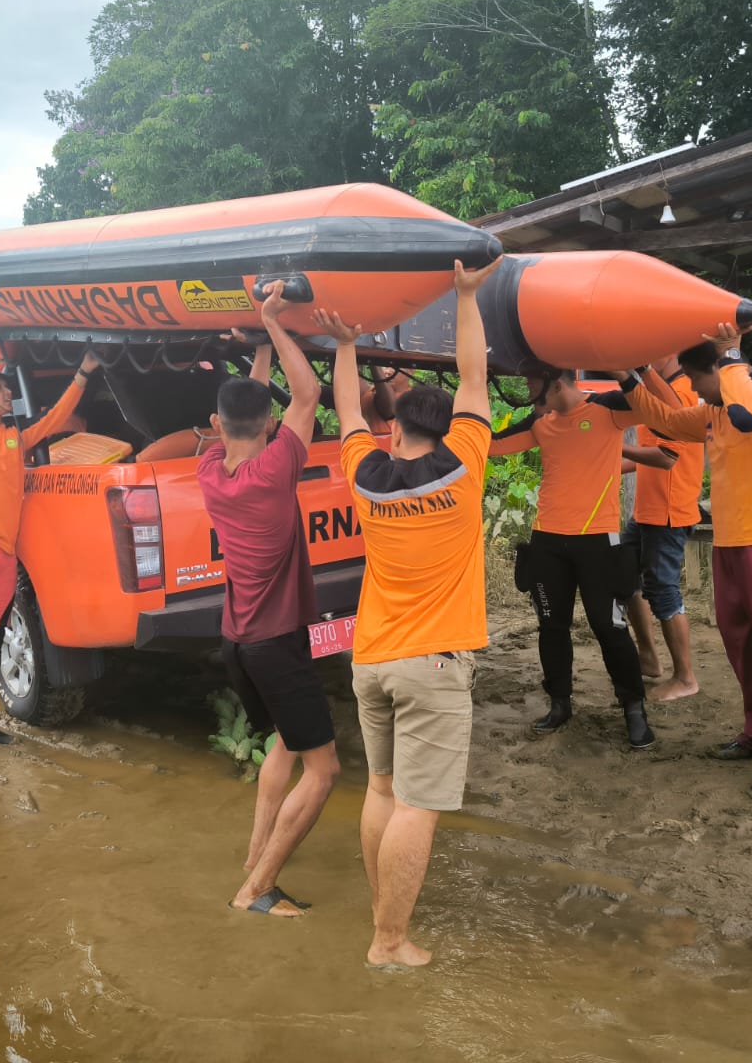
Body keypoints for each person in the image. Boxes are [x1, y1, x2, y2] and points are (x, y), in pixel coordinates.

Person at [315, 255, 499, 969]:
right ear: (451, 428)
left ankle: (381, 911)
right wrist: (464, 296)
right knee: (419, 806)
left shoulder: (366, 474)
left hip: (372, 661)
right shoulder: (466, 464)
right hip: (433, 665)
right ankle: (389, 941)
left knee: (383, 790)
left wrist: (344, 345)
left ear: (396, 433)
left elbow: (349, 410)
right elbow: (476, 374)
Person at [619, 324, 752, 795]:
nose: (693, 390)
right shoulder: (716, 411)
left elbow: (751, 414)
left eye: (697, 378)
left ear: (719, 367)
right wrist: (627, 377)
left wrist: (730, 352)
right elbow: (670, 422)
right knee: (743, 645)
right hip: (734, 543)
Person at [196, 283, 340, 919]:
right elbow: (308, 395)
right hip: (277, 642)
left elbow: (260, 405)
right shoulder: (277, 467)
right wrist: (274, 322)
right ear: (267, 425)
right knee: (326, 769)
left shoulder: (211, 471)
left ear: (217, 427)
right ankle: (256, 892)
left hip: (237, 641)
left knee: (285, 738)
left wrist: (259, 344)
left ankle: (256, 853)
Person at [0, 294, 99, 760]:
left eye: (8, 387)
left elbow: (50, 422)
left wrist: (83, 374)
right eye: (0, 387)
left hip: (4, 557)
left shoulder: (13, 438)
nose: (8, 393)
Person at [489, 369, 656, 748]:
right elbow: (491, 446)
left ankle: (633, 708)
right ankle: (560, 703)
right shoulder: (539, 420)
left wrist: (630, 372)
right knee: (551, 625)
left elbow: (657, 409)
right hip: (548, 539)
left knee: (608, 625)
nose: (528, 392)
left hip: (599, 540)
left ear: (557, 383)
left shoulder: (608, 408)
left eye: (533, 384)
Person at [619, 355, 704, 702]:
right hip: (647, 510)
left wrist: (616, 451)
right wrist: (606, 464)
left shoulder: (681, 393)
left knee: (663, 590)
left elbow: (668, 456)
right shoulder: (656, 391)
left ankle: (685, 677)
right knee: (623, 575)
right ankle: (649, 658)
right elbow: (645, 453)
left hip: (669, 511)